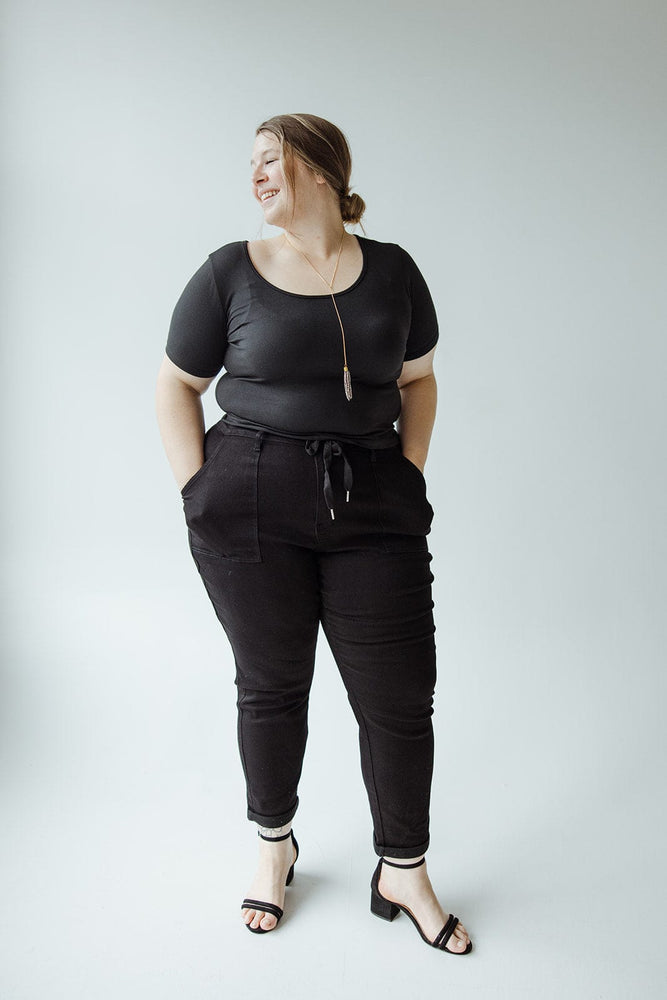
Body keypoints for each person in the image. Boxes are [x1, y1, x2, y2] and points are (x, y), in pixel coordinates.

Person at [155, 113, 472, 954]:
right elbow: (175, 385)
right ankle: (273, 848)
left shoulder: (395, 272)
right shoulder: (230, 271)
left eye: (271, 160)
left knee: (399, 697)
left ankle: (402, 868)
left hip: (372, 503)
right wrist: (199, 491)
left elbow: (420, 379)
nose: (256, 176)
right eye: (251, 163)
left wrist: (404, 472)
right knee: (270, 685)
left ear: (322, 171)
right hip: (248, 501)